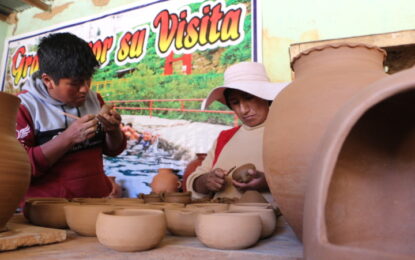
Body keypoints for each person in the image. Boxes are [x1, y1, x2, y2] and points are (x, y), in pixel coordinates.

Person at [16, 32, 126, 199]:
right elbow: (21, 168)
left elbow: (113, 150)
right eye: (75, 83)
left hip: (96, 201)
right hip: (46, 212)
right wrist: (68, 138)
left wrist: (113, 130)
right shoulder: (23, 107)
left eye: (88, 79)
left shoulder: (95, 99)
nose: (84, 89)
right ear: (48, 80)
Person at [186, 62, 288, 203]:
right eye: (235, 102)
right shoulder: (225, 138)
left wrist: (269, 183)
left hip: (274, 222)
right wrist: (205, 181)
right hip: (218, 219)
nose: (243, 109)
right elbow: (194, 183)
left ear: (266, 96)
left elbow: (308, 182)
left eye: (248, 98)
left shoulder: (290, 133)